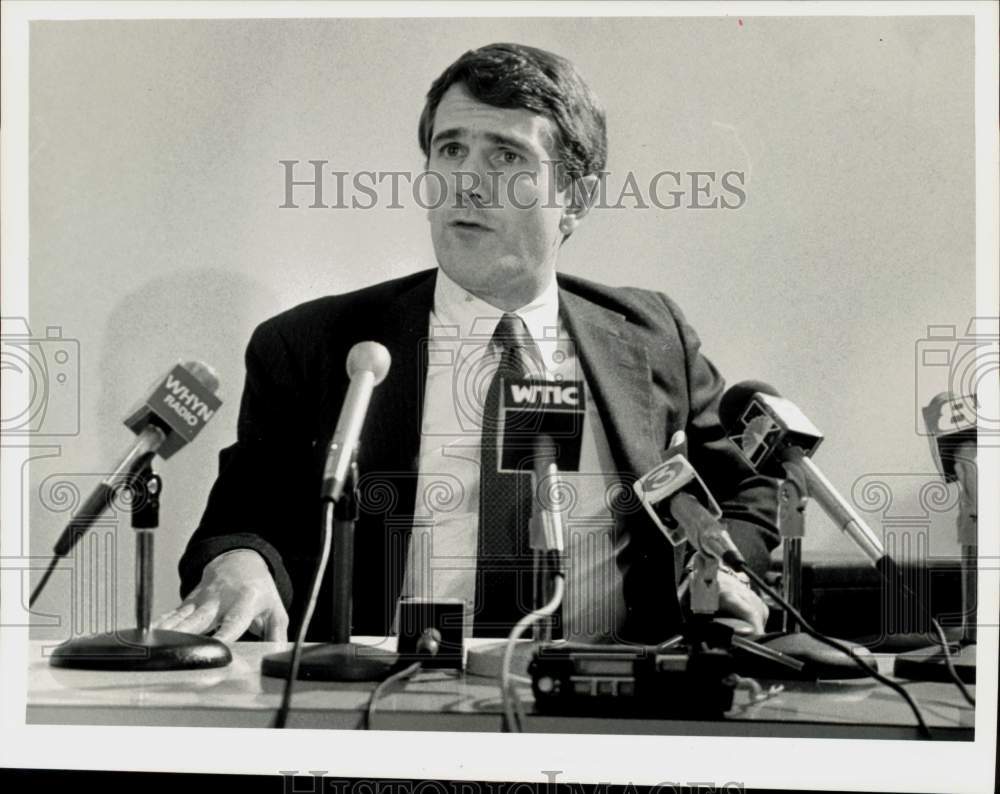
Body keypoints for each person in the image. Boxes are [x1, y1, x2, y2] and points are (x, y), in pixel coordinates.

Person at [155, 43, 779, 645]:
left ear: (576, 197)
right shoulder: (315, 345)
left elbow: (748, 487)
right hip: (384, 694)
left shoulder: (650, 336)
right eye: (451, 150)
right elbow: (244, 516)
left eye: (506, 157)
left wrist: (719, 568)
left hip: (598, 693)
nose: (467, 184)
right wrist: (244, 562)